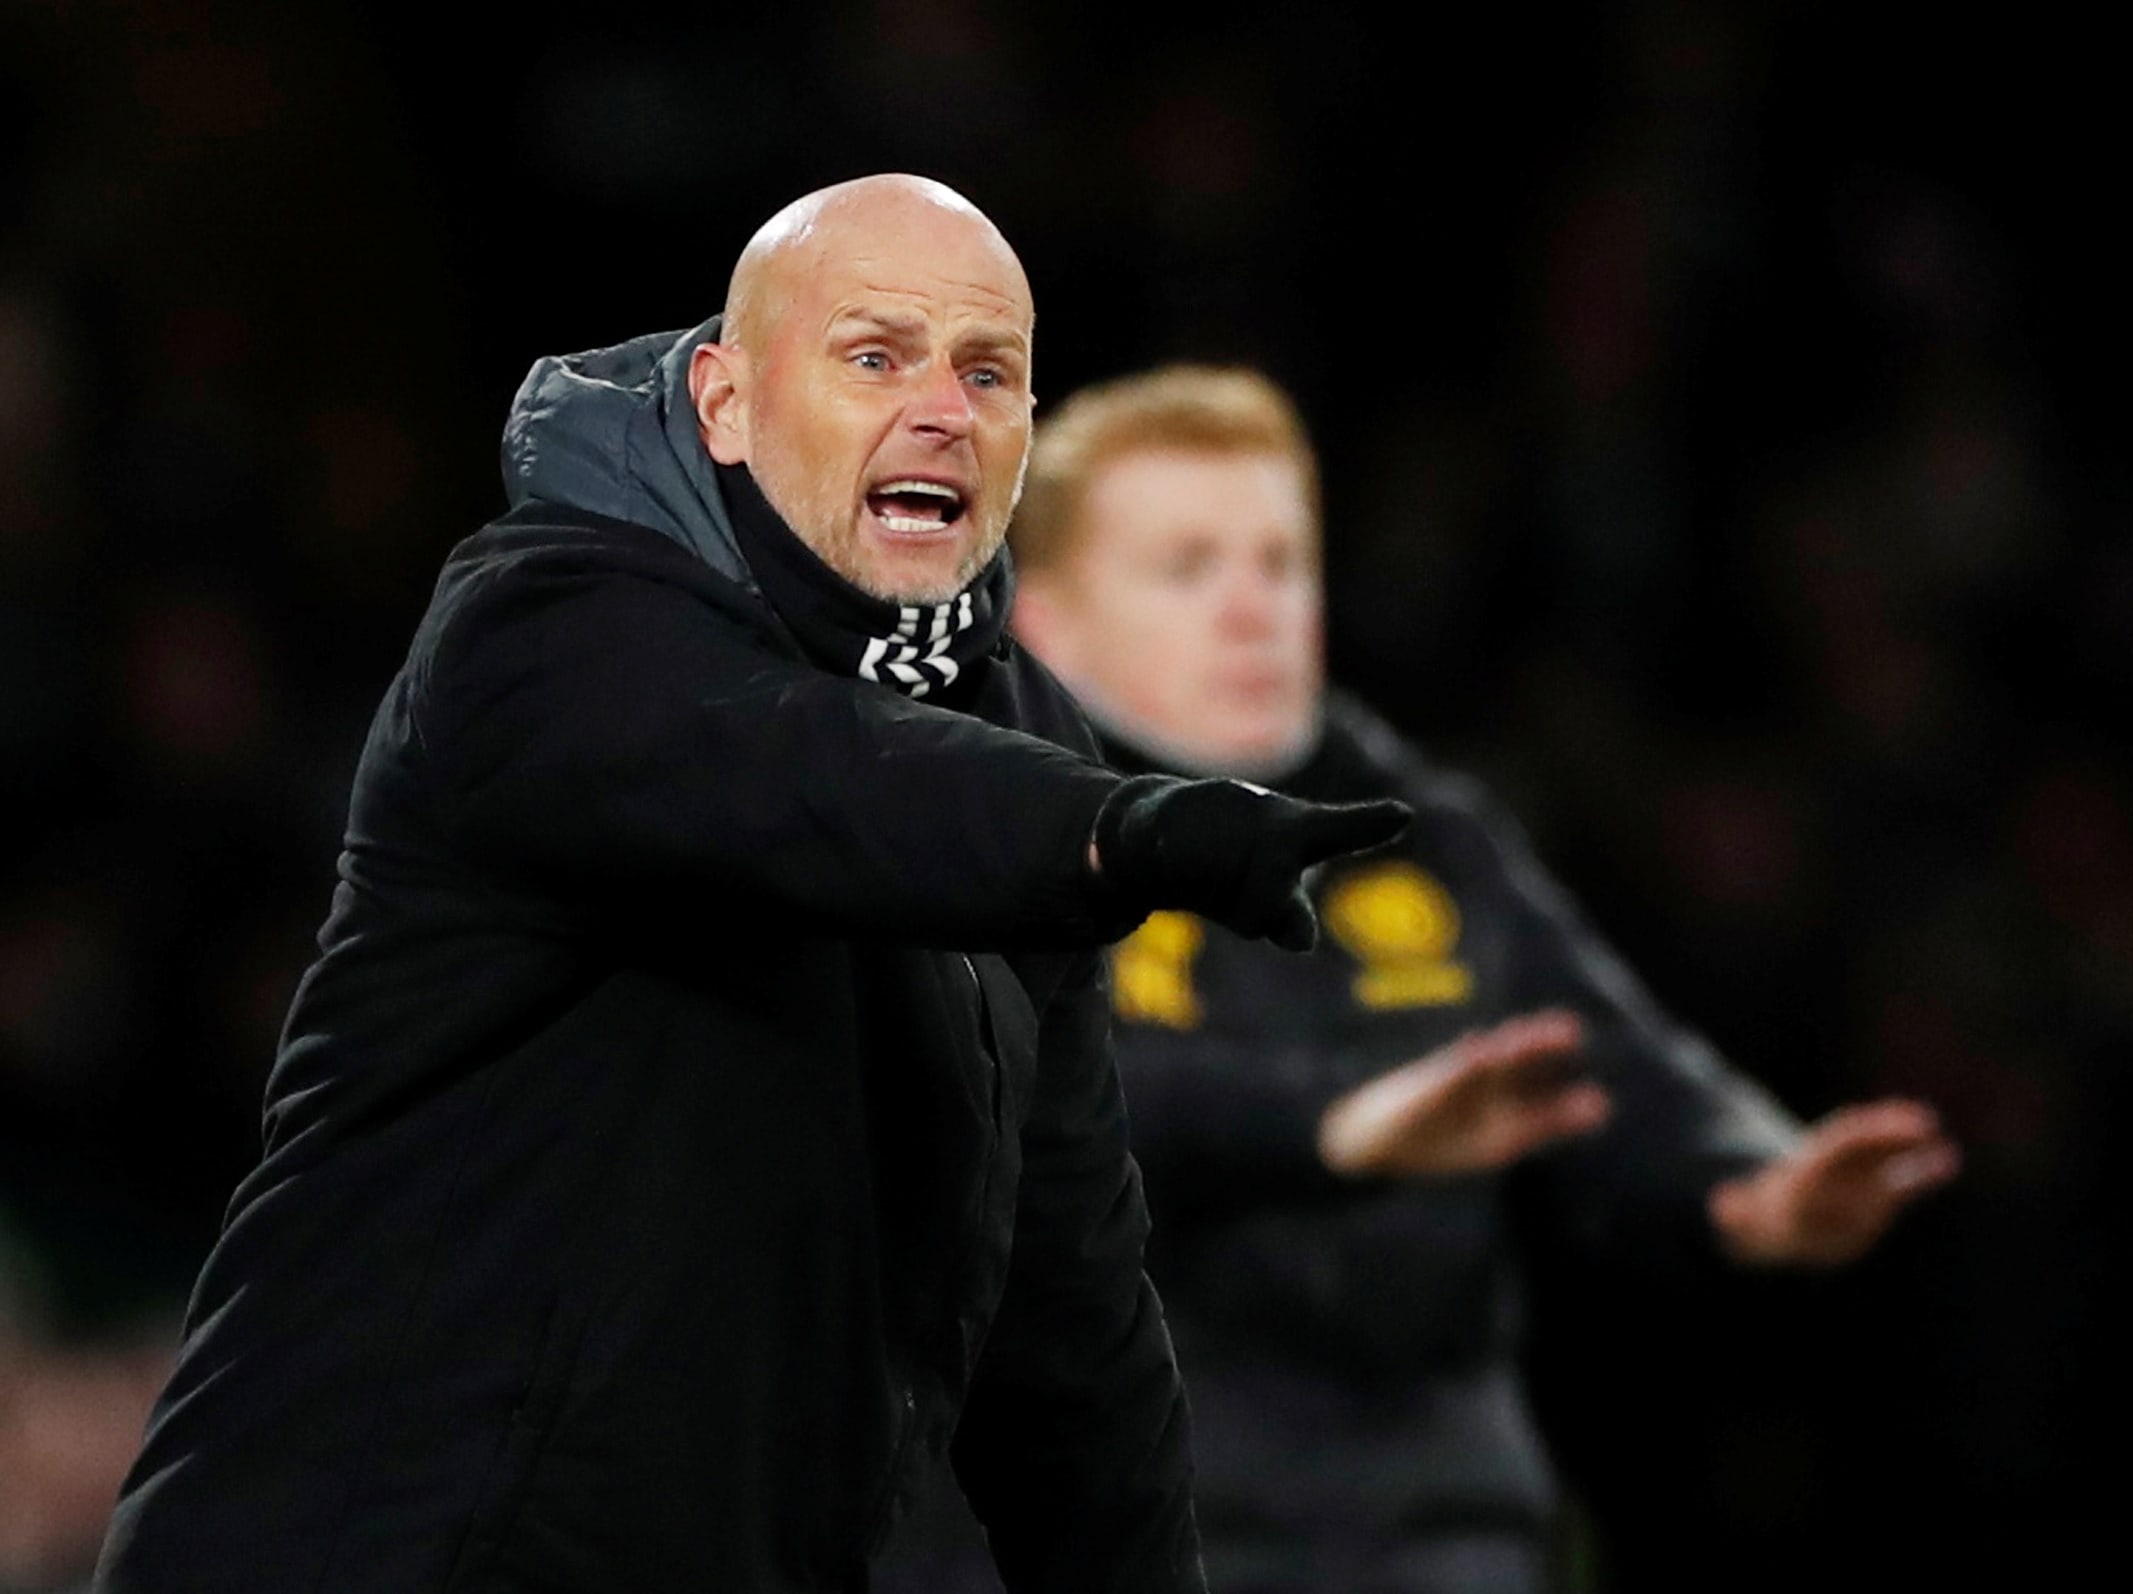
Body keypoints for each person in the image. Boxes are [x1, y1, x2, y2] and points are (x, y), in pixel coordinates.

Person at [92, 181, 1409, 1594]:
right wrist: (1124, 829)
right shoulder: (544, 626)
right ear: (723, 402)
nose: (941, 410)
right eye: (874, 356)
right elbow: (816, 772)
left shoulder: (1026, 749)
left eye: (988, 375)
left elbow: (1069, 1322)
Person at [877, 364, 1960, 1593]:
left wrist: (1747, 1184)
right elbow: (1025, 1110)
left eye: (1281, 563)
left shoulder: (1427, 837)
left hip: (1430, 1533)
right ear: (1044, 619)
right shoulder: (971, 837)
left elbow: (1611, 1064)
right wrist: (1329, 1126)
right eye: (1188, 568)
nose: (1252, 609)